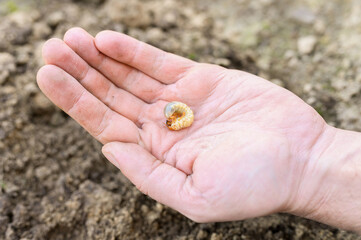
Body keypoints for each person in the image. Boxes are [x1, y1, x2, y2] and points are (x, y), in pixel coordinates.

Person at [36, 27, 361, 234]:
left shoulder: (178, 115)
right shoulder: (175, 114)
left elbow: (178, 117)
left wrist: (309, 164)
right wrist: (314, 160)